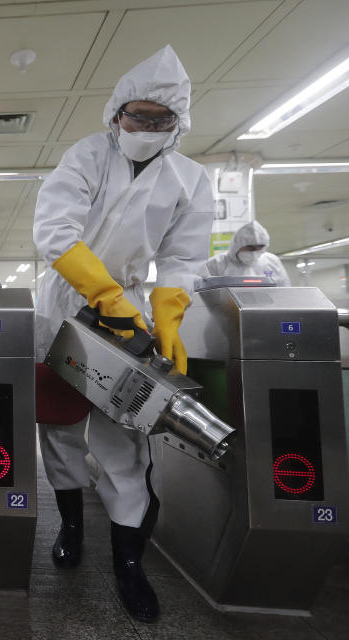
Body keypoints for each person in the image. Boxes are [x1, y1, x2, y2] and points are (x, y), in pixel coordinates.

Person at [33, 45, 213, 623]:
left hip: (131, 307)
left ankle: (129, 565)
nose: (145, 127)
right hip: (66, 301)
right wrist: (101, 292)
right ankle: (69, 525)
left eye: (160, 120)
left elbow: (185, 257)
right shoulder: (85, 156)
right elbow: (54, 231)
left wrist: (167, 314)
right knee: (59, 425)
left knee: (123, 435)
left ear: (178, 124)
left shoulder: (190, 178)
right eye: (137, 116)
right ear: (116, 114)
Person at [201, 220, 291, 285]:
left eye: (259, 248)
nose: (254, 253)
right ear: (237, 246)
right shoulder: (216, 264)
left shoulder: (272, 261)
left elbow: (284, 289)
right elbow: (204, 293)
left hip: (268, 310)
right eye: (250, 248)